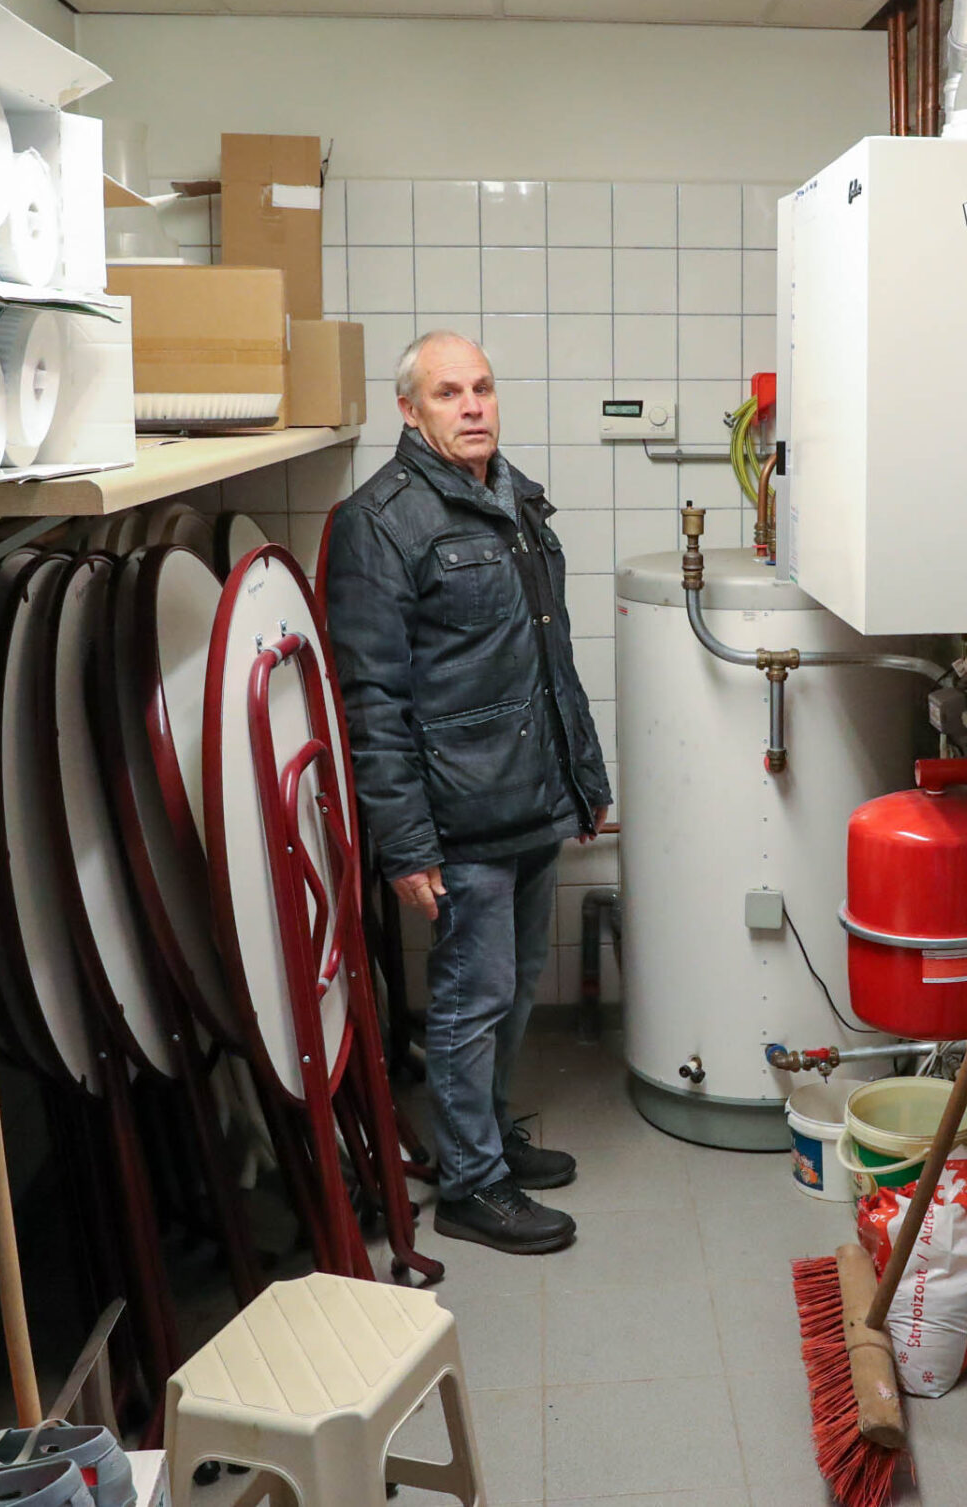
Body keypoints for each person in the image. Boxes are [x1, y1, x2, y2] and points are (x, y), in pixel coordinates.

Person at [325, 331, 612, 1254]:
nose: (474, 405)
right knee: (470, 998)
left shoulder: (512, 496)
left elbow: (550, 657)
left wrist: (583, 780)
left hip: (530, 798)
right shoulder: (381, 521)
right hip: (461, 816)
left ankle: (484, 1137)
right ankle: (472, 1183)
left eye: (482, 387)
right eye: (449, 392)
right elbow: (372, 700)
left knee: (516, 988)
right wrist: (407, 843)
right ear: (409, 411)